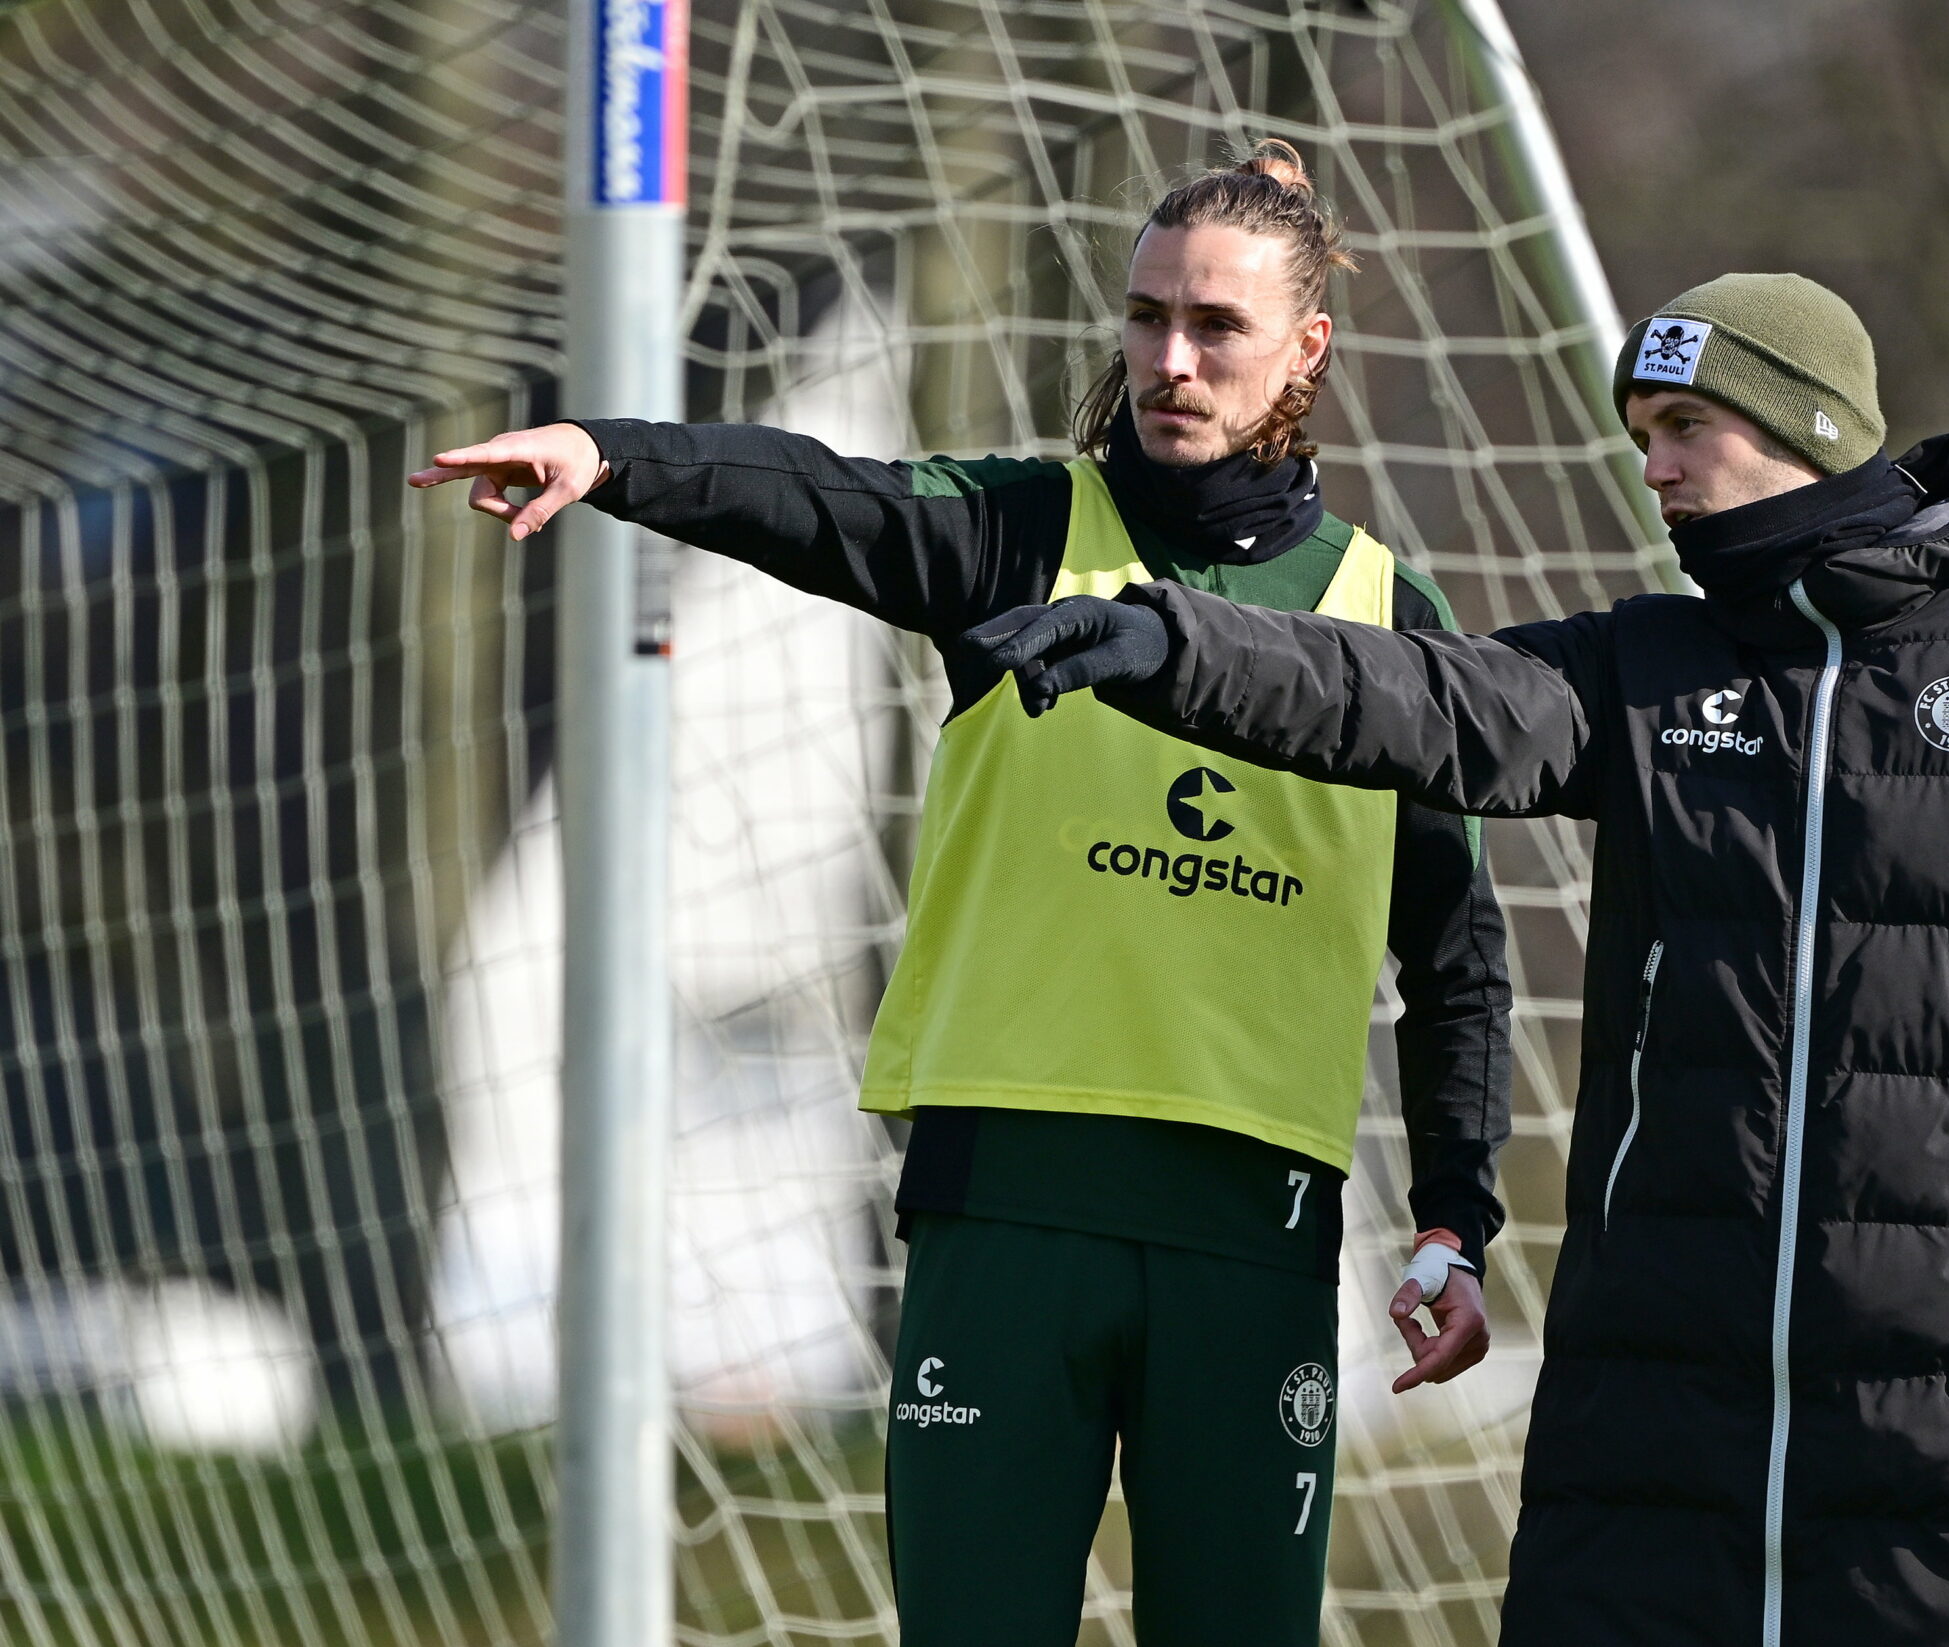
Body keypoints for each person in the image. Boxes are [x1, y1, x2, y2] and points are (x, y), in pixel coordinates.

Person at [961, 272, 1949, 1647]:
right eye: (1643, 436)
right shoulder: (1648, 664)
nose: (1655, 468)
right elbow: (1416, 694)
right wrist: (1174, 639)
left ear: (1806, 428)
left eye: (1684, 426)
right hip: (1644, 1419)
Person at [408, 142, 1514, 1647]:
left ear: (1305, 348)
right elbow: (815, 495)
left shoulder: (1390, 615)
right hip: (1008, 1207)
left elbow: (1455, 951)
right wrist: (612, 459)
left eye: (1215, 328)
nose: (1169, 360)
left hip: (1250, 1230)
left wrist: (1454, 1210)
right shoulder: (1019, 527)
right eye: (1144, 319)